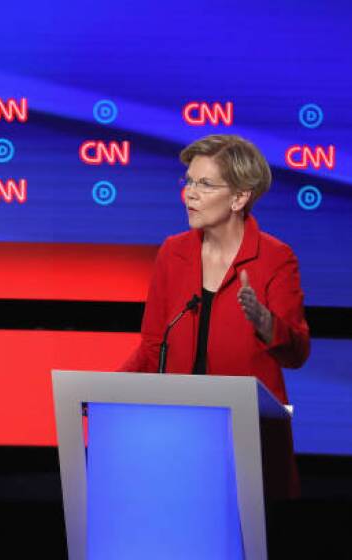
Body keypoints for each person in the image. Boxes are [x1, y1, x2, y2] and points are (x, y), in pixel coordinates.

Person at [121, 134, 310, 498]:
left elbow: (298, 352)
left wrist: (264, 321)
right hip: (180, 434)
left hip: (247, 437)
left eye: (204, 184)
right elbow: (152, 347)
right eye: (188, 181)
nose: (189, 194)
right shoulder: (173, 252)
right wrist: (104, 393)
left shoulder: (275, 258)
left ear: (239, 197)